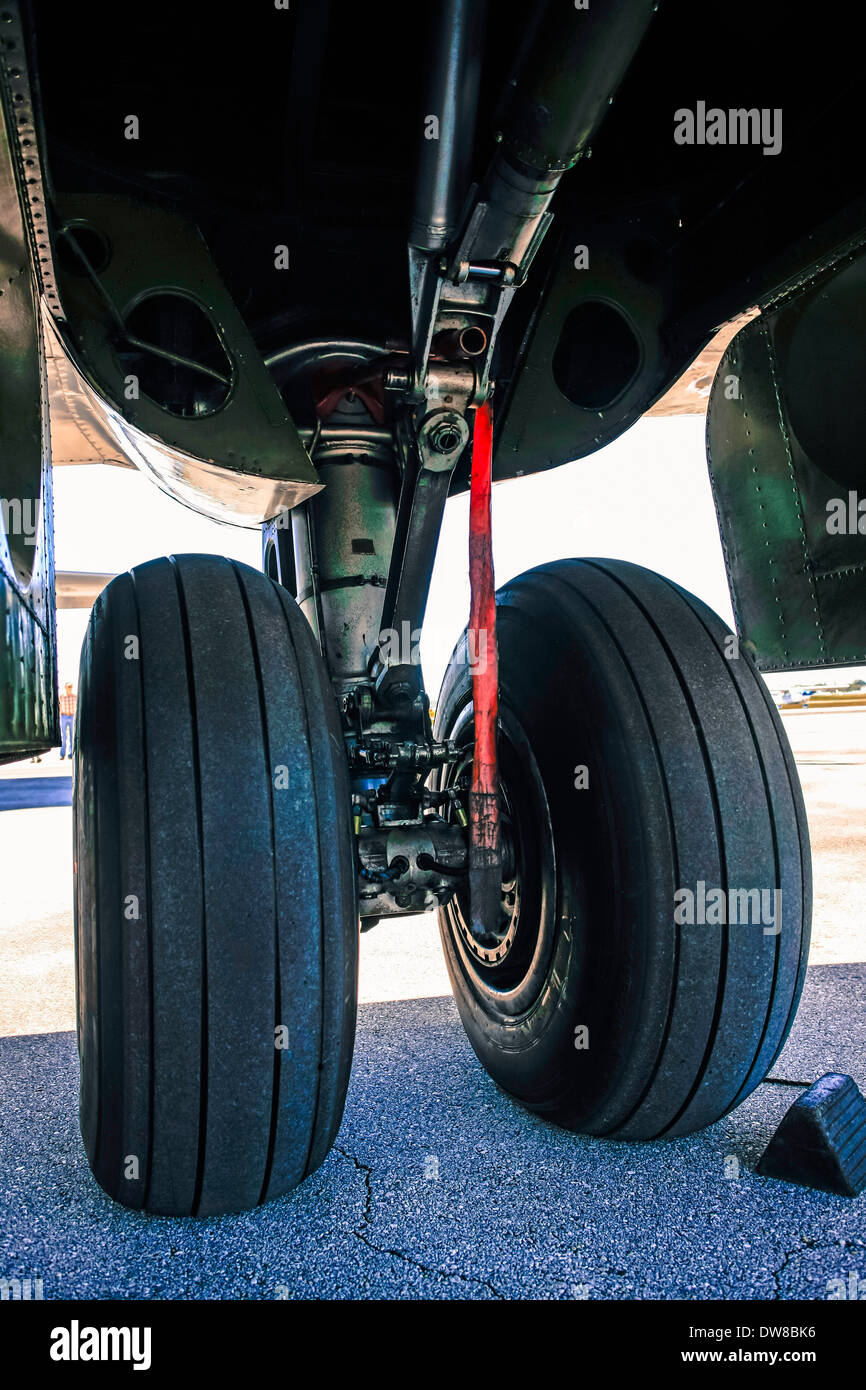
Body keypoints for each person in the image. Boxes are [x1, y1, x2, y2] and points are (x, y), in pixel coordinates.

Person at [59, 681, 77, 759]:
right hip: (64, 716)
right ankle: (62, 754)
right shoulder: (61, 696)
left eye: (71, 686)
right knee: (64, 736)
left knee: (72, 735)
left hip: (72, 716)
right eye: (68, 687)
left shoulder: (75, 696)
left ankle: (70, 754)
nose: (70, 688)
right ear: (65, 687)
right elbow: (59, 706)